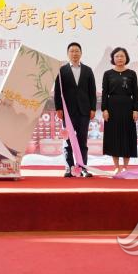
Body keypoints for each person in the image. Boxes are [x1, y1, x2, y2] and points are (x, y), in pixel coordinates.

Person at [54, 42, 97, 178]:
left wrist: (93, 108)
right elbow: (57, 91)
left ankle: (83, 168)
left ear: (81, 53)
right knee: (68, 141)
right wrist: (58, 108)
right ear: (68, 54)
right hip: (68, 112)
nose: (74, 53)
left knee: (82, 140)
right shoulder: (62, 70)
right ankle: (69, 167)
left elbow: (92, 91)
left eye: (77, 51)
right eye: (72, 51)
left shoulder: (88, 70)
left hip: (84, 111)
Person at [101, 47, 138, 174]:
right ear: (113, 58)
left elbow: (136, 93)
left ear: (126, 58)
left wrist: (136, 110)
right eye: (117, 56)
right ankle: (117, 166)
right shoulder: (107, 74)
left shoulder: (132, 73)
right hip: (112, 108)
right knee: (114, 136)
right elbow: (104, 93)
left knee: (127, 136)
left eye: (122, 56)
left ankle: (126, 167)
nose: (119, 58)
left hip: (128, 108)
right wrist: (104, 109)